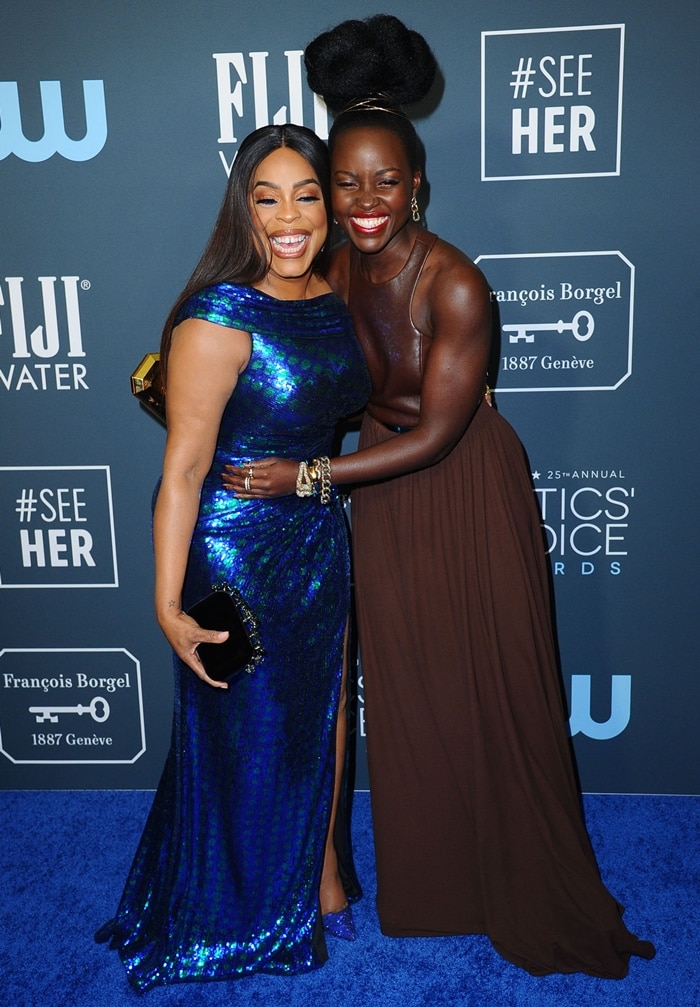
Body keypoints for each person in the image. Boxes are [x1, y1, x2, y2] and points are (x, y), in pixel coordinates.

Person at [222, 16, 656, 979]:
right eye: (347, 181)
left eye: (386, 181)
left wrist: (308, 477)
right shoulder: (325, 269)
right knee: (412, 691)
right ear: (327, 192)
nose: (365, 200)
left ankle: (516, 872)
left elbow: (441, 431)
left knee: (491, 684)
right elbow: (268, 348)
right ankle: (435, 886)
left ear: (419, 183)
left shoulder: (456, 284)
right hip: (382, 490)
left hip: (460, 488)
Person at [95, 124, 369, 991]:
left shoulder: (335, 295)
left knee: (324, 708)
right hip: (234, 551)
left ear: (328, 204)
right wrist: (167, 601)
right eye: (267, 198)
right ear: (242, 210)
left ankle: (321, 869)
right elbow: (179, 470)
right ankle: (234, 903)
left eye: (307, 195)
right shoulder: (216, 319)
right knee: (245, 731)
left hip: (316, 535)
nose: (289, 217)